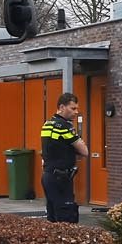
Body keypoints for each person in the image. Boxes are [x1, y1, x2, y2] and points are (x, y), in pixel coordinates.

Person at [40, 92, 89, 223]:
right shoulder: (65, 127)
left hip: (48, 176)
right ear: (61, 107)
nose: (76, 112)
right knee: (66, 218)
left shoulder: (47, 124)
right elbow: (85, 151)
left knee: (52, 217)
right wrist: (74, 148)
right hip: (61, 178)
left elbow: (52, 147)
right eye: (73, 108)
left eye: (77, 108)